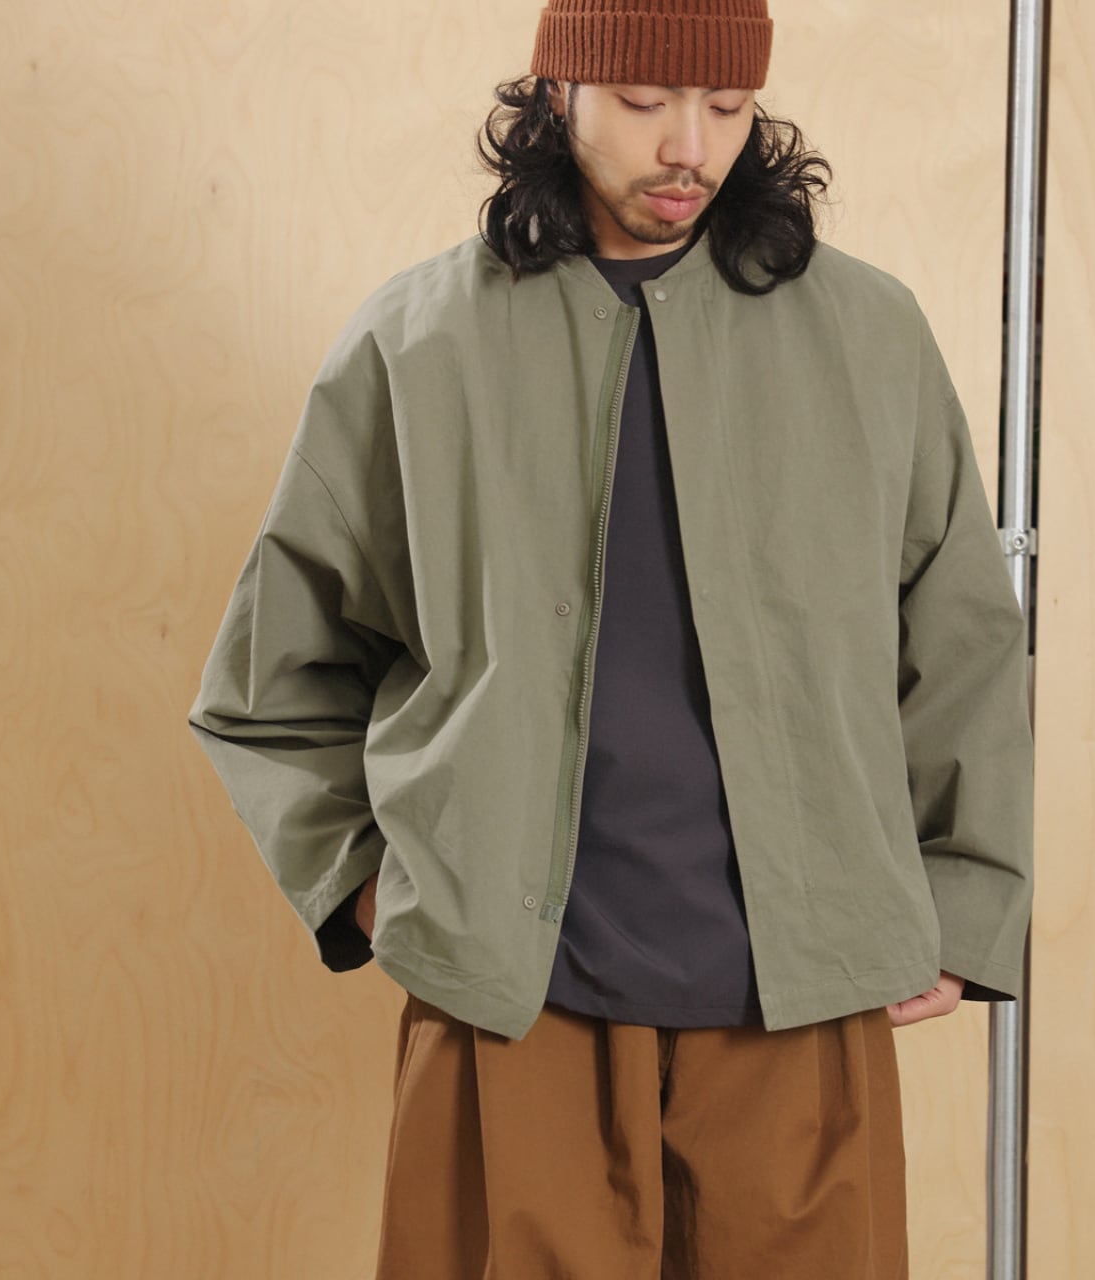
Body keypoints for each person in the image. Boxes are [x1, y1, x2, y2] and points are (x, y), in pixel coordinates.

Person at [189, 1, 1034, 1275]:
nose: (689, 146)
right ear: (558, 89)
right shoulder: (416, 344)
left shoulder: (869, 337)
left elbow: (959, 637)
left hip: (799, 1007)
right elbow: (268, 680)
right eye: (643, 103)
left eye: (726, 107)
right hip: (512, 1012)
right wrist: (368, 883)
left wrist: (963, 903)